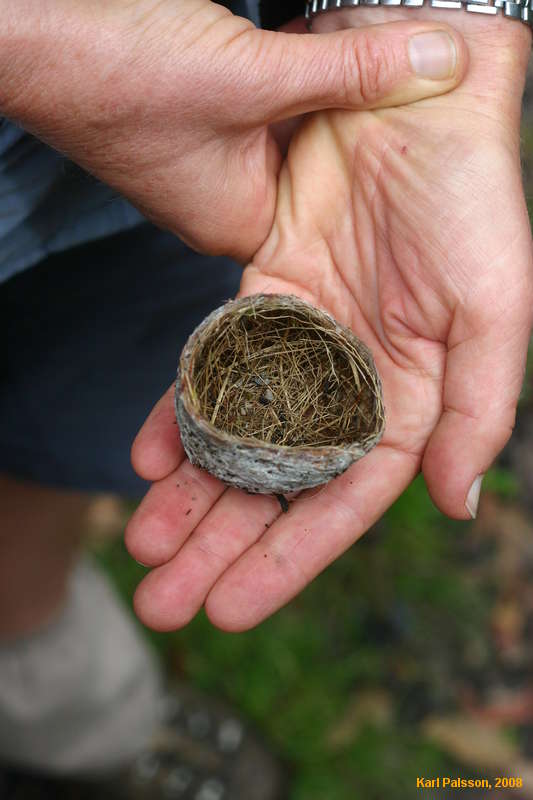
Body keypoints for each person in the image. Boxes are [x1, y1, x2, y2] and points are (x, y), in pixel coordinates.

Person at [0, 1, 477, 797]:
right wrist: (29, 47)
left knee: (61, 422)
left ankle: (50, 683)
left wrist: (454, 20)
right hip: (145, 88)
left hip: (190, 138)